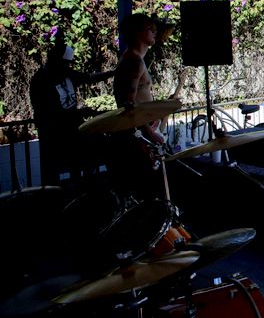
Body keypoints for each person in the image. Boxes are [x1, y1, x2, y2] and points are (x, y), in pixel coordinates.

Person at [29, 36, 114, 185]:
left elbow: (88, 78)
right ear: (57, 61)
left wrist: (113, 72)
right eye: (66, 63)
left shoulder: (66, 73)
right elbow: (48, 113)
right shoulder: (40, 81)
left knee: (102, 148)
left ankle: (90, 186)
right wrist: (79, 113)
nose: (68, 66)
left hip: (74, 132)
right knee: (55, 177)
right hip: (55, 139)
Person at [110, 13, 169, 201]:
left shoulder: (136, 59)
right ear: (138, 33)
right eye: (150, 29)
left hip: (142, 132)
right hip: (138, 136)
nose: (155, 32)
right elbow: (129, 105)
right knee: (146, 193)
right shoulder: (133, 61)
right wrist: (149, 133)